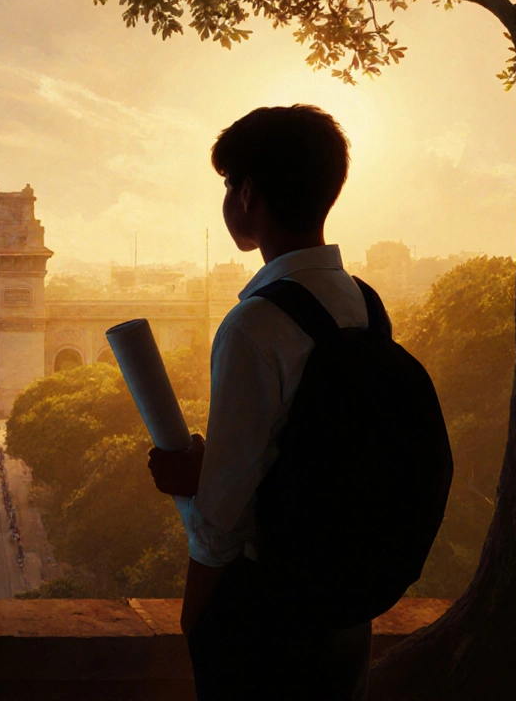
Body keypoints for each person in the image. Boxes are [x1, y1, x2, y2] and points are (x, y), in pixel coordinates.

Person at [146, 106, 377, 700]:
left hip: (268, 615)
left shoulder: (254, 324)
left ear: (248, 193)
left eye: (229, 184)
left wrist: (195, 618)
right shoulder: (364, 303)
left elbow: (220, 519)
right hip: (348, 604)